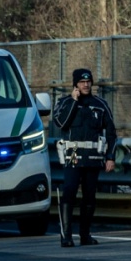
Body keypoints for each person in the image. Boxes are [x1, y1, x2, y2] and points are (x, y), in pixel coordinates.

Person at [51, 68, 117, 248]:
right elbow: (61, 123)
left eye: (88, 82)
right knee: (70, 191)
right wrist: (73, 101)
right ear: (75, 84)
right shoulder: (65, 102)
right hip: (73, 155)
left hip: (93, 156)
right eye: (81, 82)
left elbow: (111, 133)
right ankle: (66, 236)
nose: (86, 85)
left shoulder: (100, 104)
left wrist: (110, 157)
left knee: (89, 196)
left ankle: (85, 234)